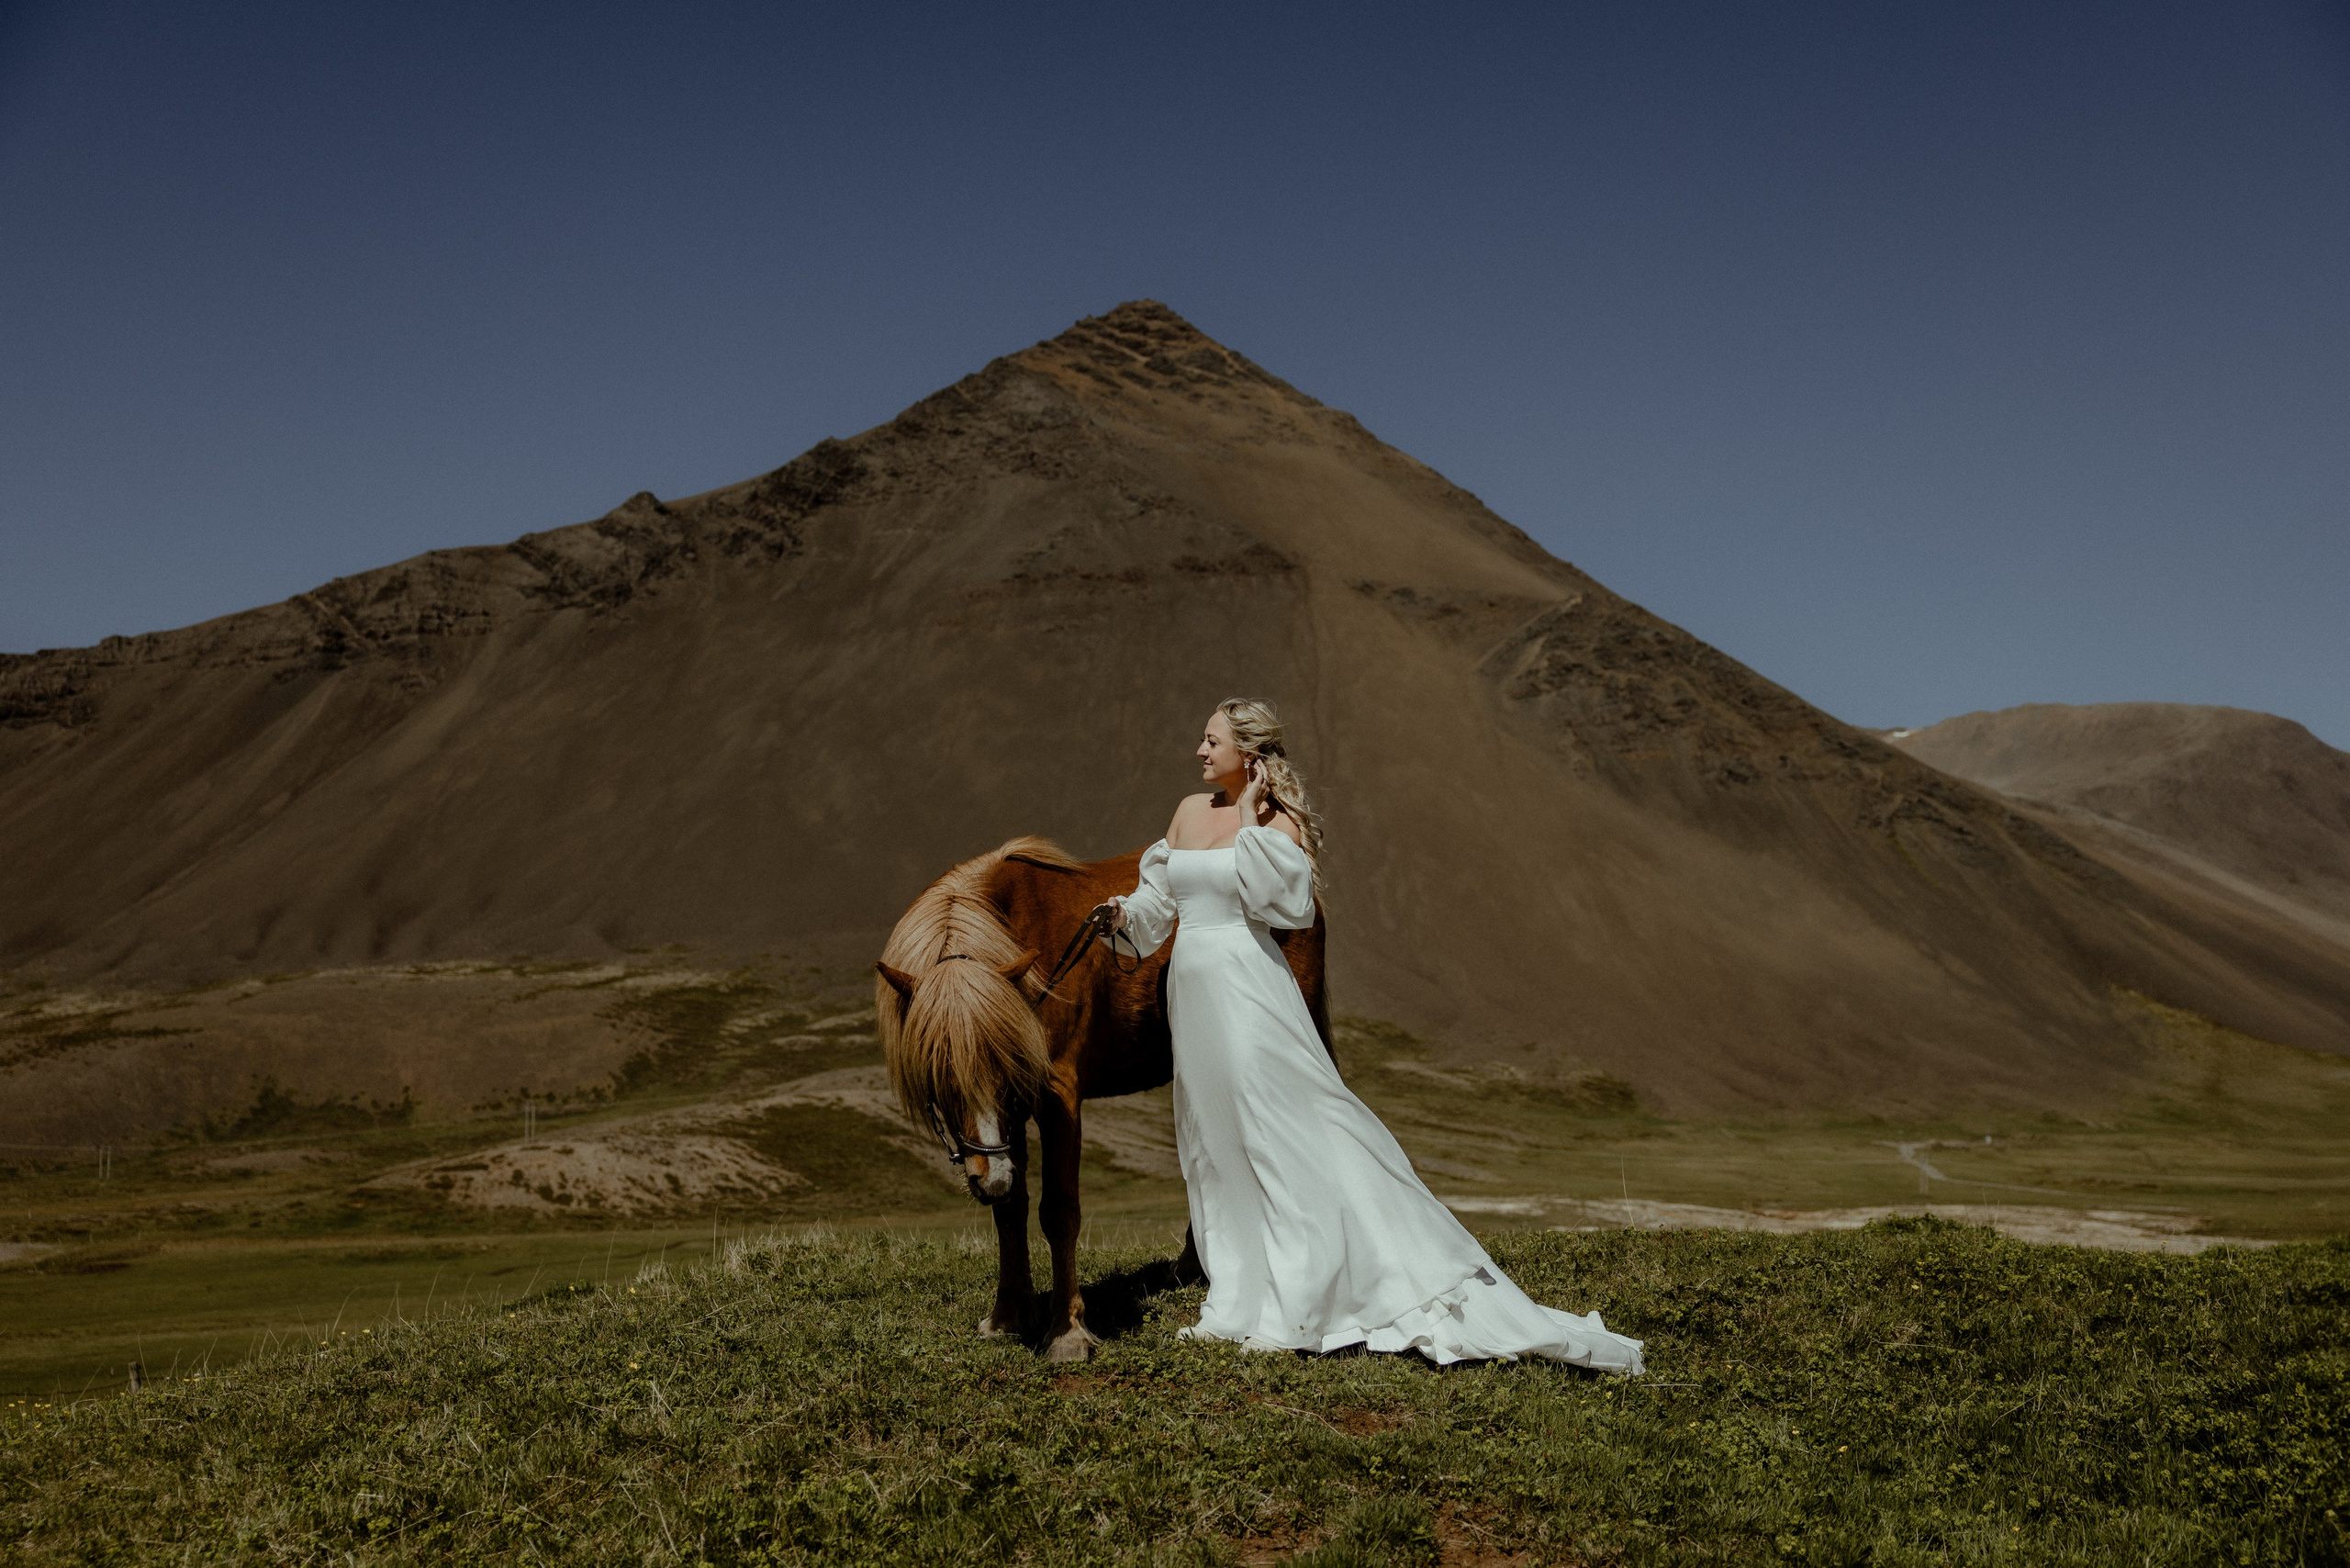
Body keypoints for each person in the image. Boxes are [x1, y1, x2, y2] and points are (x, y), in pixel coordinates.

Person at [1091, 698, 1645, 1372]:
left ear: (1250, 754)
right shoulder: (1184, 812)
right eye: (1202, 740)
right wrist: (1122, 913)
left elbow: (1284, 906)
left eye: (1211, 742)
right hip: (1193, 994)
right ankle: (1235, 1298)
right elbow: (1160, 904)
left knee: (1275, 1133)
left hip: (1247, 991)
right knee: (1215, 1144)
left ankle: (1300, 1300)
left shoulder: (1276, 821)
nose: (1199, 752)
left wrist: (1246, 820)